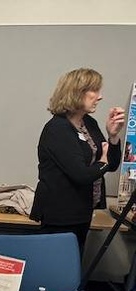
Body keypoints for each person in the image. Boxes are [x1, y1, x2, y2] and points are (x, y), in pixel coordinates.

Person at [30, 68, 125, 251]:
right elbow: (81, 174)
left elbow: (110, 165)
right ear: (77, 92)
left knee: (73, 265)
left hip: (83, 210)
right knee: (57, 269)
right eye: (95, 91)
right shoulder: (57, 129)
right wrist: (103, 161)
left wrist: (112, 137)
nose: (100, 96)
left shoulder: (88, 123)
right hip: (60, 214)